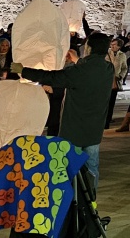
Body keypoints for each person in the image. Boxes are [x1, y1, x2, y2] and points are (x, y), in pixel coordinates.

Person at [15, 32, 115, 193]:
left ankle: (69, 199)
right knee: (92, 167)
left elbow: (53, 77)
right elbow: (90, 68)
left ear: (88, 48)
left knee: (68, 167)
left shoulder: (77, 72)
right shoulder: (108, 69)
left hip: (74, 128)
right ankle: (91, 200)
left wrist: (24, 70)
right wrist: (77, 60)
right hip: (95, 128)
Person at [103, 37, 129, 129]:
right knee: (104, 102)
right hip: (105, 81)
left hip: (115, 81)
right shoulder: (106, 53)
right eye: (111, 44)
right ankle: (103, 120)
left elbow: (125, 68)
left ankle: (107, 121)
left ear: (119, 46)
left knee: (111, 102)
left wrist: (120, 76)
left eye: (114, 45)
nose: (112, 46)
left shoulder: (122, 55)